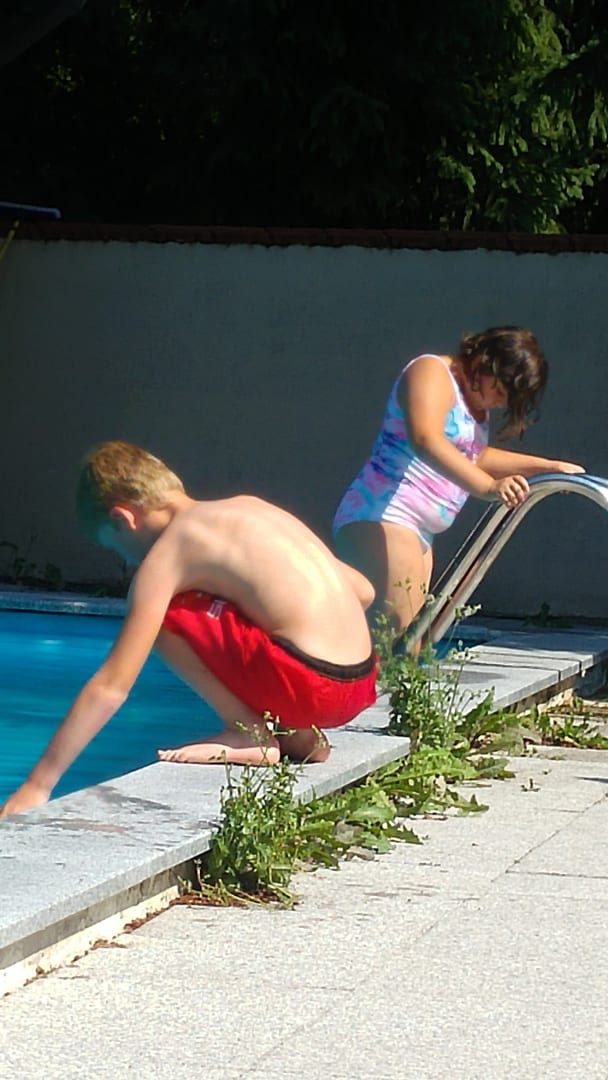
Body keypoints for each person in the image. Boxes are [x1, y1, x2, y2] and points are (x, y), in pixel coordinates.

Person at [0, 441, 377, 817]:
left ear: (123, 519)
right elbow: (363, 591)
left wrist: (37, 785)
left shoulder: (173, 548)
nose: (128, 560)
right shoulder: (251, 509)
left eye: (116, 547)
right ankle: (297, 733)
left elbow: (112, 686)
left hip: (311, 686)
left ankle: (247, 732)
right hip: (359, 685)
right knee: (239, 612)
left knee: (163, 612)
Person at [333, 326, 584, 635]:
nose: (498, 403)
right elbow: (425, 438)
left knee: (414, 639)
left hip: (417, 530)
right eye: (499, 391)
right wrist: (489, 486)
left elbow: (475, 456)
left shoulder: (474, 403)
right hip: (383, 513)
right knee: (398, 637)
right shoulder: (432, 372)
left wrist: (548, 468)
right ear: (485, 360)